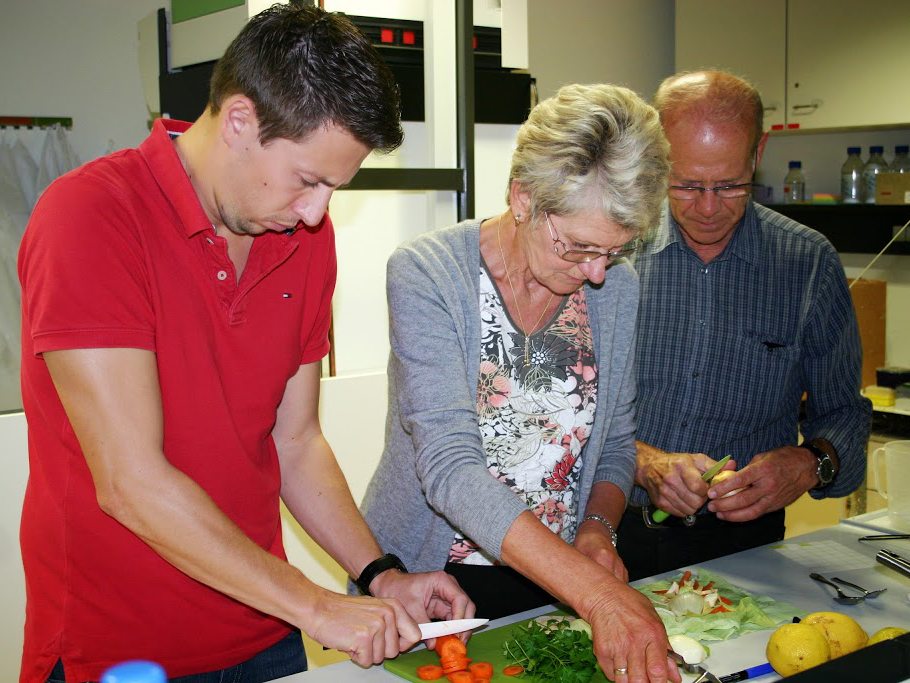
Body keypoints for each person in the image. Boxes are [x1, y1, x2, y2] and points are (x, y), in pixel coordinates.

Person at [17, 6, 472, 683]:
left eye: (335, 189)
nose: (318, 212)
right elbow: (130, 482)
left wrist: (376, 574)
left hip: (264, 628)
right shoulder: (90, 217)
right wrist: (318, 607)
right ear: (238, 121)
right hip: (120, 649)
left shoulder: (306, 240)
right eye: (309, 179)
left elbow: (296, 442)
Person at [361, 84, 681, 683]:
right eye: (580, 246)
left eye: (614, 251)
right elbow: (451, 469)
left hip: (554, 585)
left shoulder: (619, 288)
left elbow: (614, 443)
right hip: (430, 590)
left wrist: (595, 530)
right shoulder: (428, 273)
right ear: (523, 198)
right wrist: (596, 594)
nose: (596, 273)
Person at [616, 70, 873, 580]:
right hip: (606, 534)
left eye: (731, 185)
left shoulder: (807, 263)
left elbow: (844, 413)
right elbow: (554, 410)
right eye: (687, 184)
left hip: (744, 549)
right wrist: (643, 464)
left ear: (757, 155)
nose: (708, 208)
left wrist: (808, 464)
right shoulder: (609, 249)